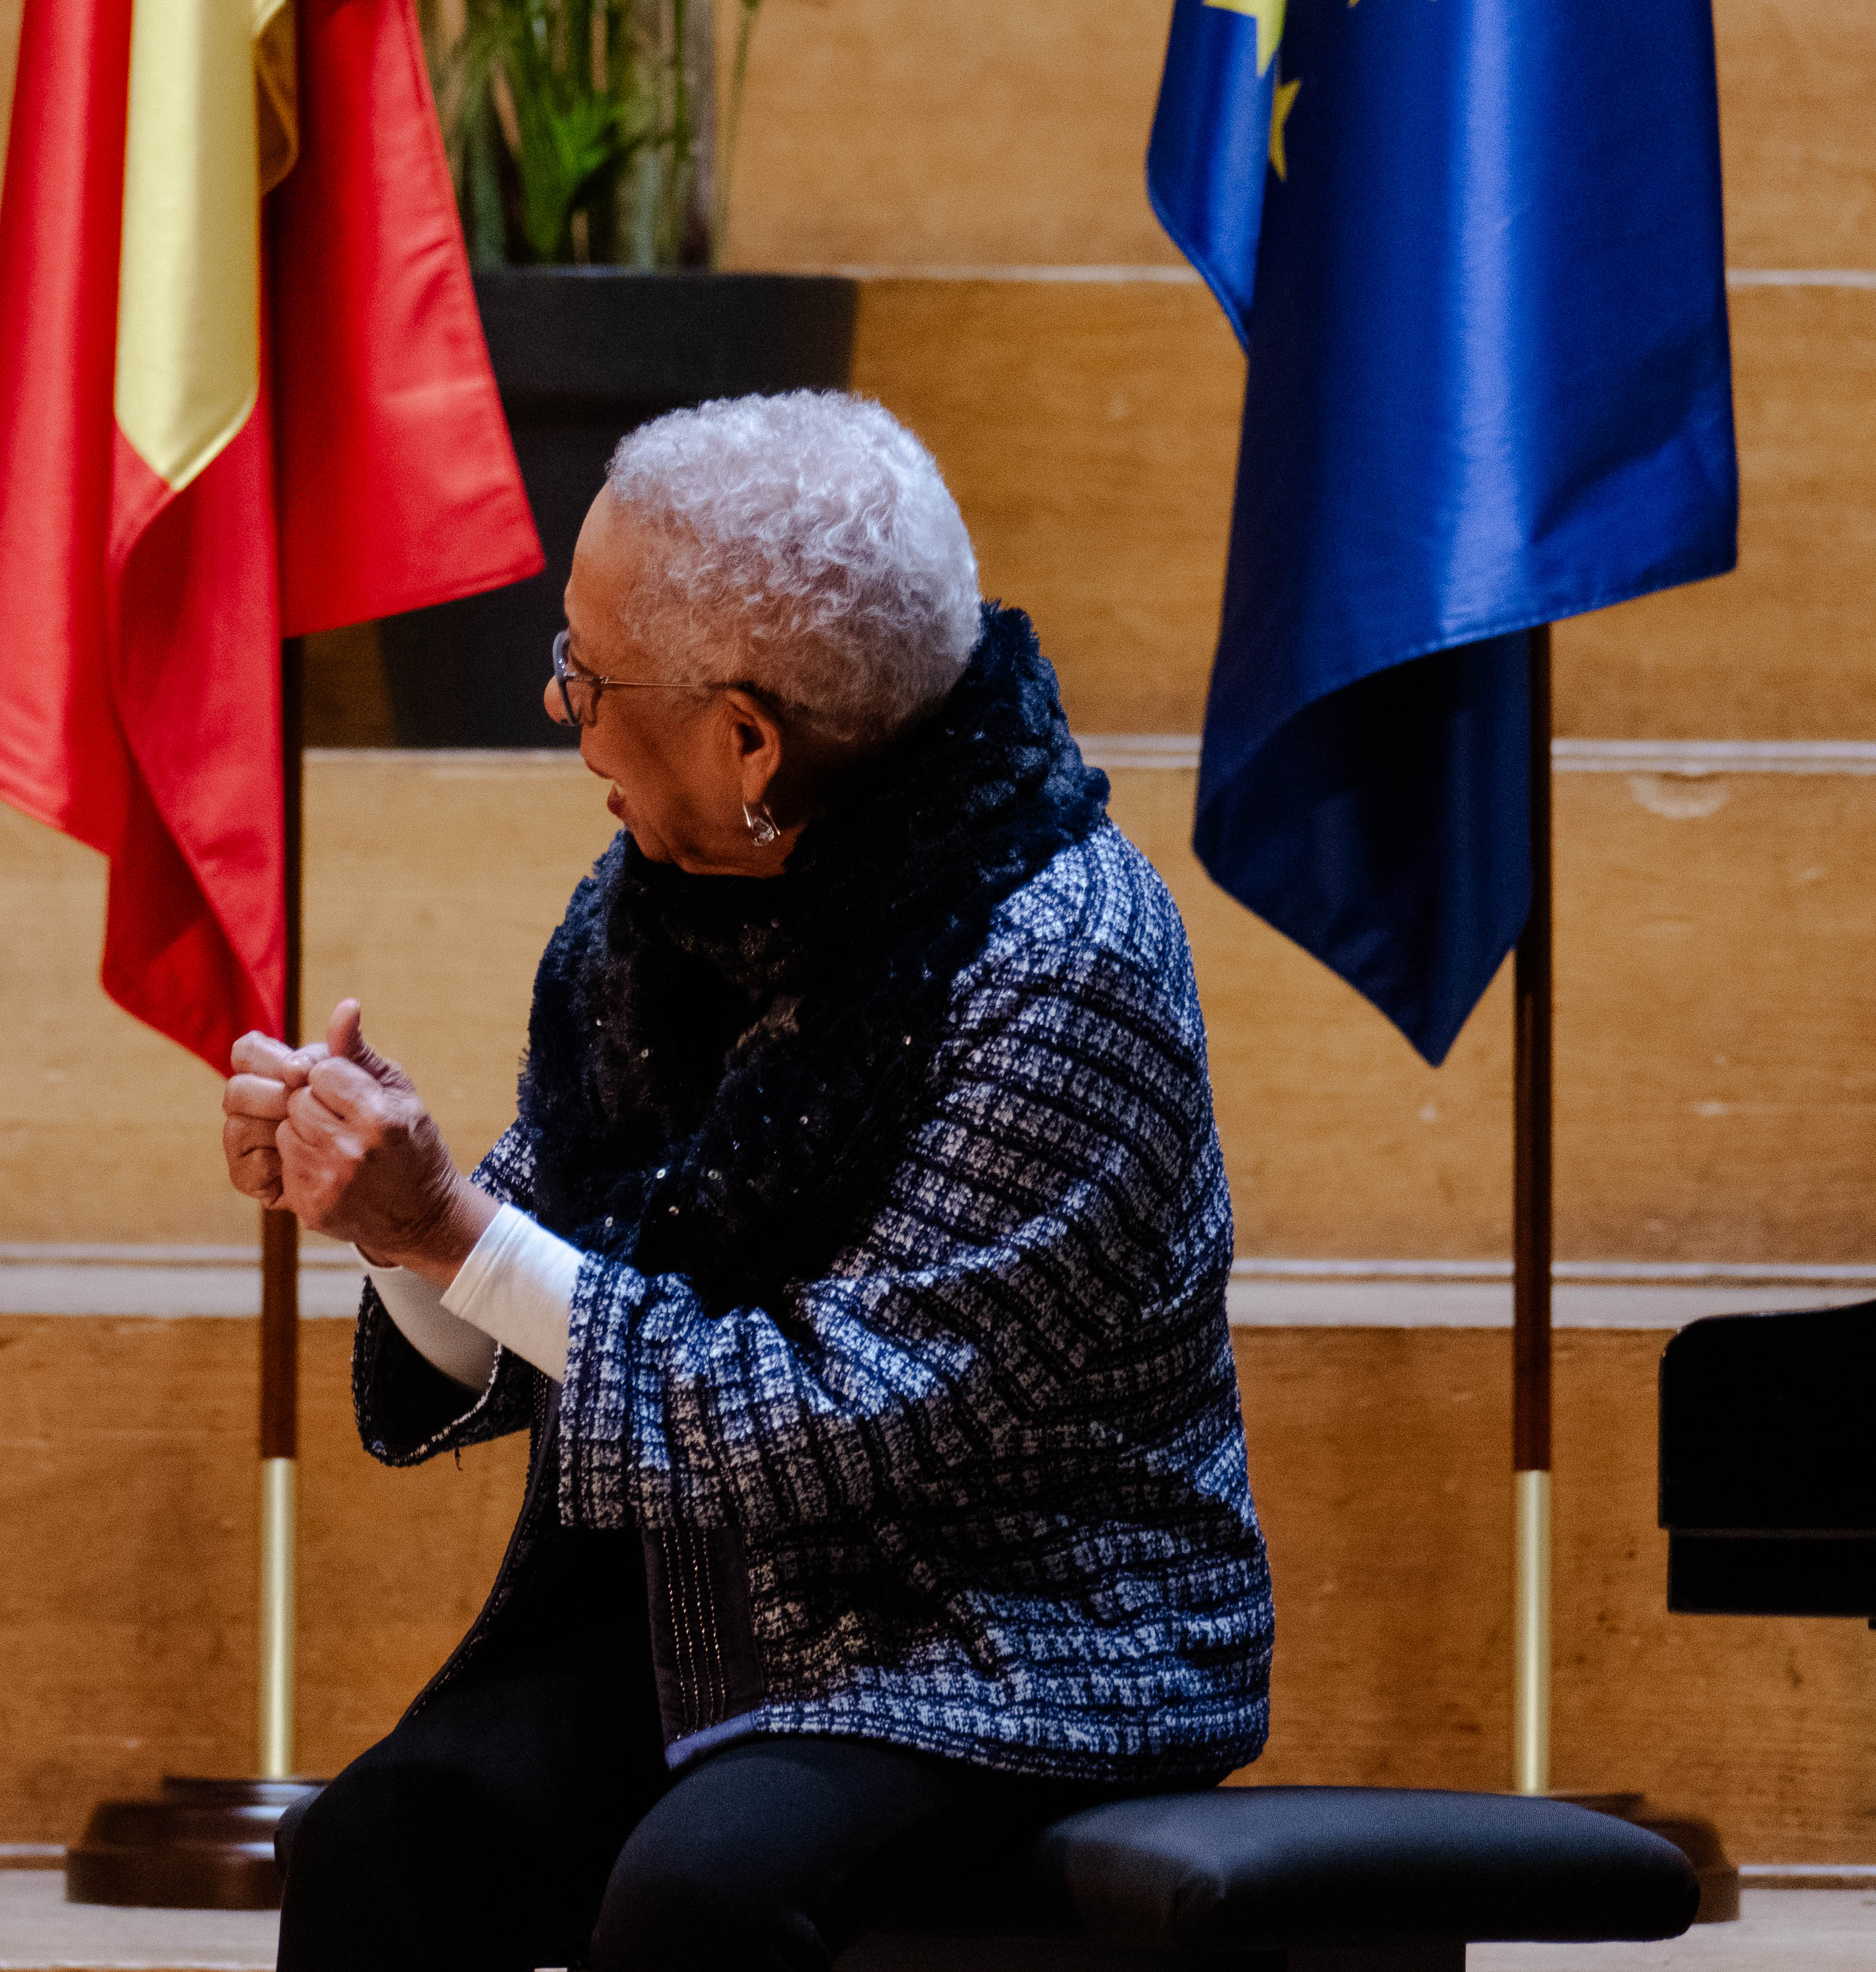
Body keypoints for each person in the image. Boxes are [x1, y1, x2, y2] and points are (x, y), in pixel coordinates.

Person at [222, 392, 1273, 1972]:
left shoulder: (1064, 957)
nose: (557, 700)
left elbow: (829, 1410)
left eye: (587, 673)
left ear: (750, 739)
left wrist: (450, 1225)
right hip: (720, 1617)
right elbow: (532, 1265)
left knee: (705, 1893)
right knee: (388, 1839)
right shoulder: (656, 899)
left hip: (1018, 1634)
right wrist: (385, 1222)